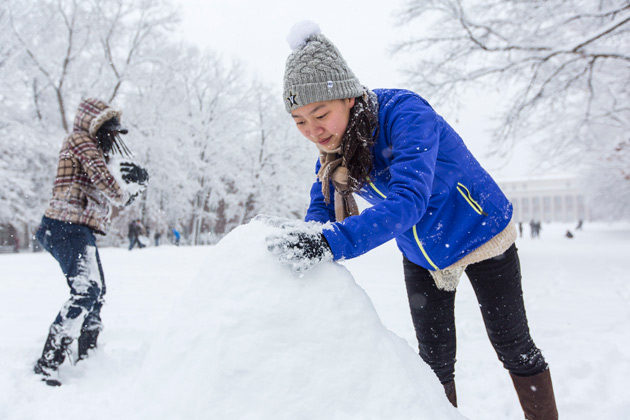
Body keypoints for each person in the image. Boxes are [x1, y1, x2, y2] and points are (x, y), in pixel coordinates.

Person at [266, 22, 558, 419]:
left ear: (348, 97)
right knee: (434, 364)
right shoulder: (334, 151)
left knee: (513, 345)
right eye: (299, 121)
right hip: (422, 252)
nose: (313, 131)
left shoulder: (404, 114)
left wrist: (331, 243)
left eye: (320, 114)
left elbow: (409, 201)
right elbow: (323, 204)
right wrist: (308, 237)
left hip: (481, 232)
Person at [34, 98, 148, 386]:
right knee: (87, 290)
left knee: (97, 292)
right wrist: (129, 189)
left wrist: (135, 185)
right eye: (110, 132)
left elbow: (113, 185)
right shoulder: (80, 141)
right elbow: (108, 183)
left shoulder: (94, 149)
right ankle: (48, 362)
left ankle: (88, 356)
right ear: (96, 127)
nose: (113, 138)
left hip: (76, 229)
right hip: (63, 226)